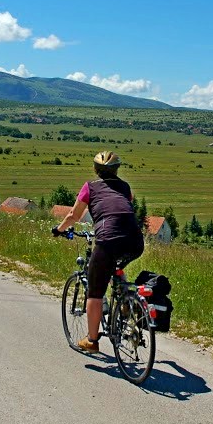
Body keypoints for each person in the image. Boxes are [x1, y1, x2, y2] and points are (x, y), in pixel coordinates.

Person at [53, 151, 144, 353]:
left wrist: (58, 230)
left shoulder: (90, 187)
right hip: (135, 241)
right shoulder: (126, 187)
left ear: (96, 170)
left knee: (94, 292)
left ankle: (92, 340)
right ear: (117, 169)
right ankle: (127, 299)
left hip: (108, 240)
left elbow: (73, 215)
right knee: (117, 265)